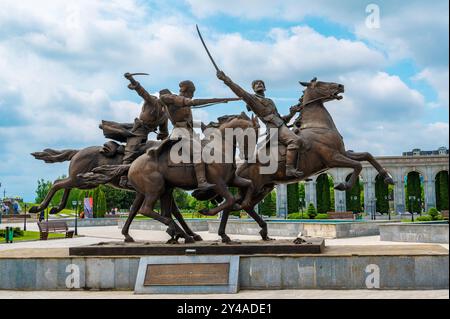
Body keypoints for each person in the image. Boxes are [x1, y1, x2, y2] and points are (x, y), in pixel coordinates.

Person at [216, 71, 306, 178]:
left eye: (261, 83)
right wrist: (226, 80)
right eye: (256, 84)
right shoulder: (253, 99)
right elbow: (240, 92)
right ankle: (289, 168)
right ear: (253, 89)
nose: (259, 84)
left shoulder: (270, 101)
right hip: (274, 129)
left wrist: (292, 113)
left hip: (280, 125)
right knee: (295, 141)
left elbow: (280, 119)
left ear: (265, 88)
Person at [159, 80, 240, 190]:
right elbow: (189, 105)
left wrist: (202, 125)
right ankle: (201, 181)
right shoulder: (174, 100)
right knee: (198, 151)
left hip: (189, 133)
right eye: (191, 92)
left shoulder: (183, 103)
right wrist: (215, 100)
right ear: (185, 90)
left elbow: (188, 121)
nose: (192, 94)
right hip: (180, 134)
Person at [100, 73, 169, 187]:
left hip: (145, 135)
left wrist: (165, 141)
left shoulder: (165, 115)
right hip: (137, 131)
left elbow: (164, 131)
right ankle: (123, 178)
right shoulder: (152, 102)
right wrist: (132, 80)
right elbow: (143, 92)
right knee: (131, 152)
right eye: (167, 98)